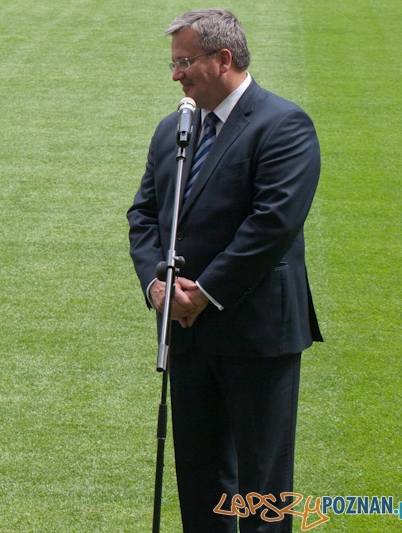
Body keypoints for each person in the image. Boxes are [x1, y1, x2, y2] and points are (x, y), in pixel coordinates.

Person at [127, 9, 321, 533]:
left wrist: (203, 292)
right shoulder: (173, 130)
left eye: (184, 62)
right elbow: (144, 214)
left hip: (256, 335)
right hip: (186, 334)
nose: (176, 75)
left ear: (224, 59)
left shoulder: (284, 125)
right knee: (201, 486)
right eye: (173, 64)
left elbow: (272, 224)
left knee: (263, 494)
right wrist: (157, 286)